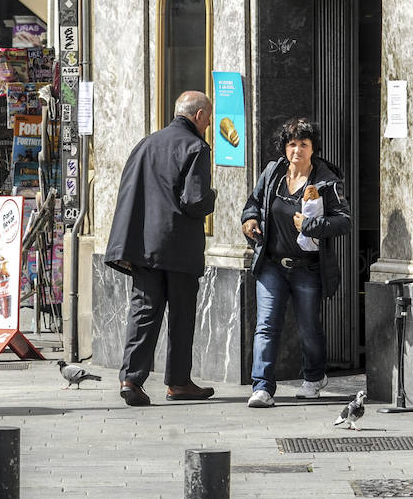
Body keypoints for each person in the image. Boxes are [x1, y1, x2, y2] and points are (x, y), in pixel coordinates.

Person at [105, 90, 218, 407]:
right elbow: (194, 201)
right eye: (208, 118)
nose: (208, 125)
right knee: (181, 316)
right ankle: (179, 382)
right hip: (179, 246)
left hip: (144, 245)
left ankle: (131, 379)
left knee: (143, 311)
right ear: (197, 116)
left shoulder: (147, 143)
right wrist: (213, 196)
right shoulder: (195, 146)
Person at [240, 117, 351, 409]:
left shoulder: (326, 180)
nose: (297, 150)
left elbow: (344, 221)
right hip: (272, 265)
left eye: (303, 144)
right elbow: (254, 201)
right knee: (266, 326)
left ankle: (314, 378)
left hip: (307, 267)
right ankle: (262, 387)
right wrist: (249, 219)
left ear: (313, 148)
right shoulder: (273, 173)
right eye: (292, 144)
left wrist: (311, 225)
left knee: (308, 327)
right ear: (285, 147)